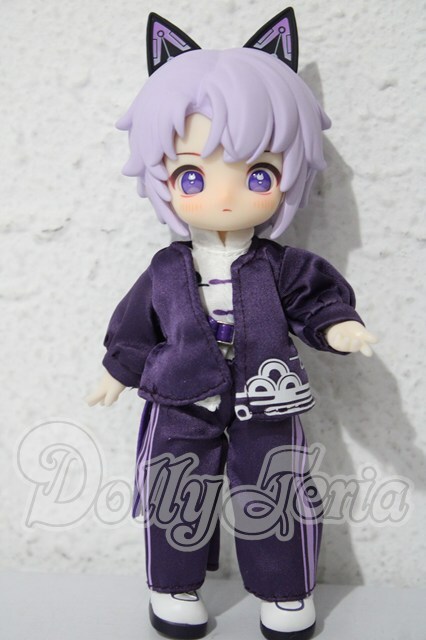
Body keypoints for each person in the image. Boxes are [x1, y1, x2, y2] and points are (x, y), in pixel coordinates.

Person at [87, 9, 377, 640]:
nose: (224, 197)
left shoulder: (281, 265)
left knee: (277, 490)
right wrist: (117, 372)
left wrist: (339, 328)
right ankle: (172, 586)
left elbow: (317, 301)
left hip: (266, 395)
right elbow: (136, 328)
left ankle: (286, 592)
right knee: (173, 489)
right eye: (192, 175)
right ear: (163, 178)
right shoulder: (166, 268)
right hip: (180, 396)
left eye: (258, 175)